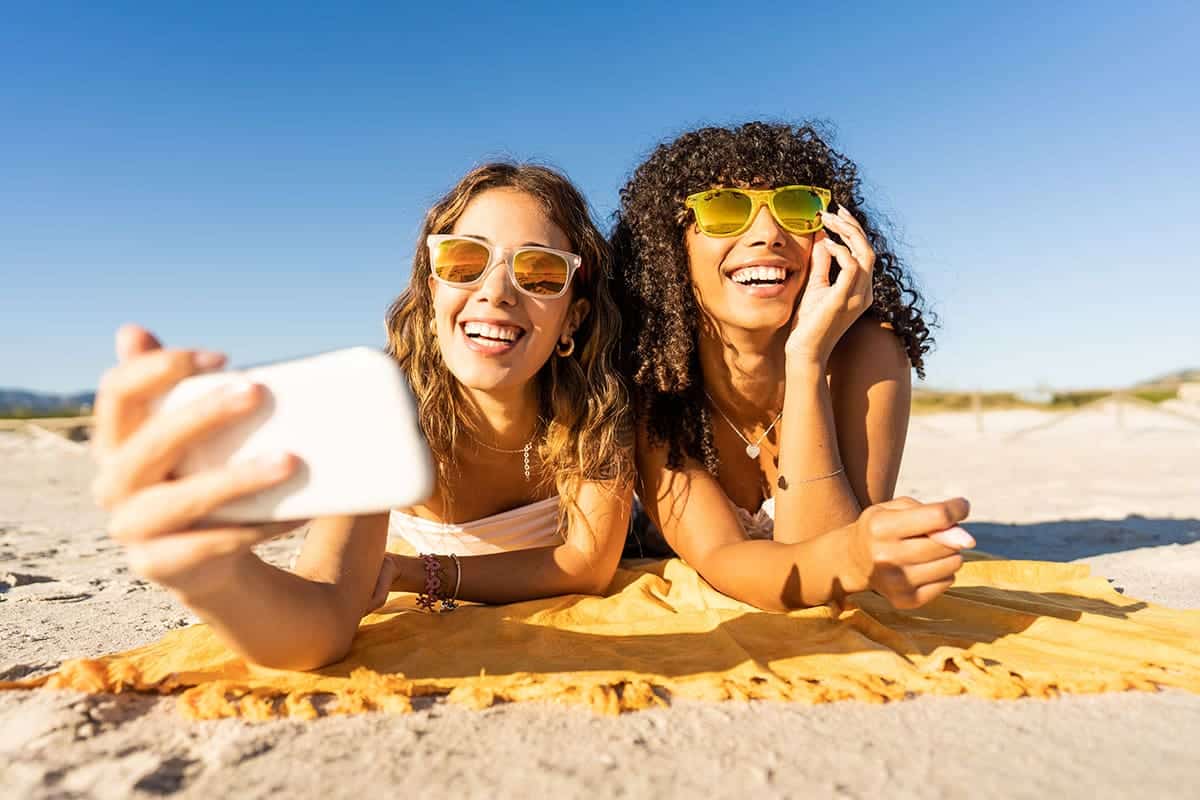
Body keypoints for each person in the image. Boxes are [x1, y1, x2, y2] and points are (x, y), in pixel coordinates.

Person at [90, 163, 634, 670]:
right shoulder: (382, 418)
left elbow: (586, 565)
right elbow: (322, 621)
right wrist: (214, 578)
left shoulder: (596, 412)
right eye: (463, 261)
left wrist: (412, 571)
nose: (494, 292)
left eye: (539, 273)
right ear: (431, 288)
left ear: (573, 317)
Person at [611, 122, 974, 611]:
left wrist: (806, 359)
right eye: (724, 209)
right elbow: (737, 560)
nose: (767, 234)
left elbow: (828, 566)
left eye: (798, 208)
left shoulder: (868, 356)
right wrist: (850, 557)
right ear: (668, 247)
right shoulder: (651, 380)